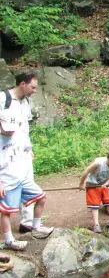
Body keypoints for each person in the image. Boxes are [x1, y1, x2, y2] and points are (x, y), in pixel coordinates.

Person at [0, 71, 54, 251]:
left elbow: (25, 128)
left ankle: (30, 224)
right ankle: (9, 238)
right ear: (22, 84)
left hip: (23, 156)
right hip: (6, 157)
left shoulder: (27, 101)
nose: (34, 91)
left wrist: (29, 149)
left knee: (34, 192)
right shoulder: (3, 99)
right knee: (7, 201)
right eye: (32, 87)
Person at [79, 147, 109, 233]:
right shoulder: (98, 163)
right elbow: (86, 172)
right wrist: (81, 184)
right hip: (93, 185)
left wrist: (107, 182)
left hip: (105, 185)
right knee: (94, 204)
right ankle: (96, 224)